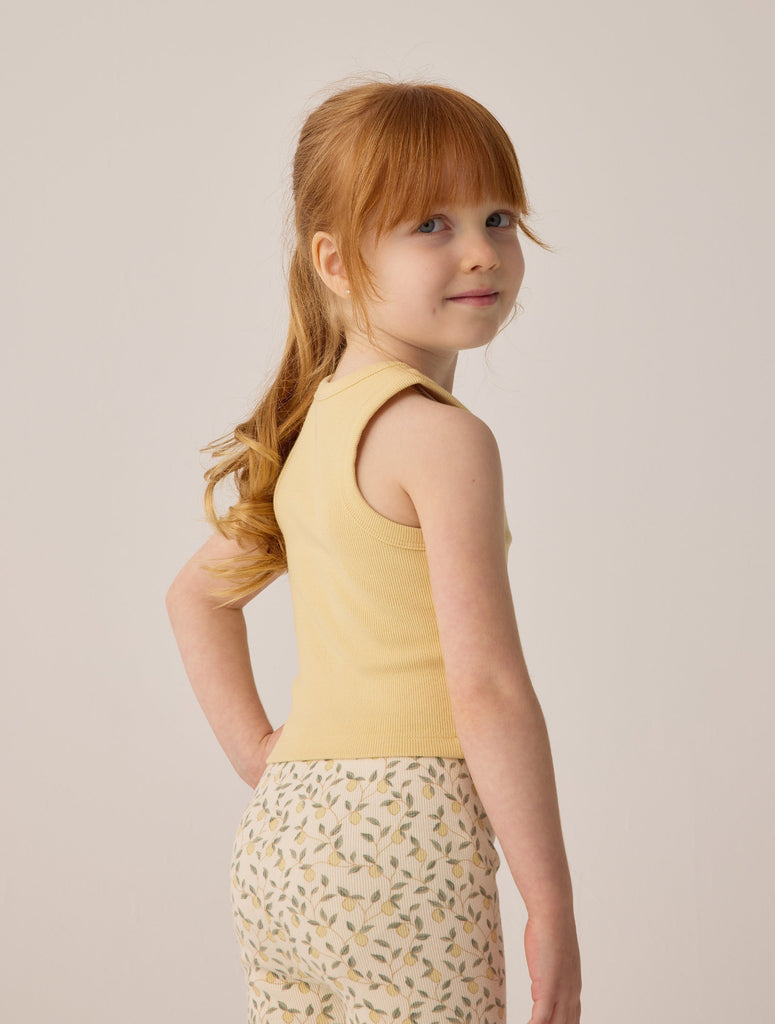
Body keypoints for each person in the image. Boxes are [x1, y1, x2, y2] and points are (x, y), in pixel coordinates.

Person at [166, 75, 582, 1024]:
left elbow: (194, 597)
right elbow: (487, 687)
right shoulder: (440, 438)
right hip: (406, 836)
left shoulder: (310, 430)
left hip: (283, 844)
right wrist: (550, 903)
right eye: (430, 224)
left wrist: (265, 756)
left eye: (498, 217)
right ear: (336, 261)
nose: (480, 251)